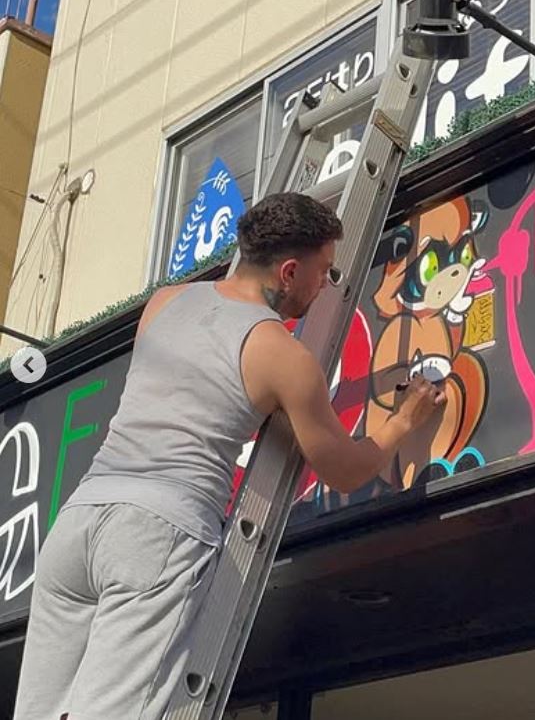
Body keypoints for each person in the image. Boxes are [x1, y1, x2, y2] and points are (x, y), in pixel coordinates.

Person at [13, 192, 446, 720]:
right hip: (157, 532)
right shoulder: (281, 354)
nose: (326, 286)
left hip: (78, 525)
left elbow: (201, 385)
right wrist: (404, 419)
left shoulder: (166, 302)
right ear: (289, 271)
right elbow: (344, 469)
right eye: (324, 272)